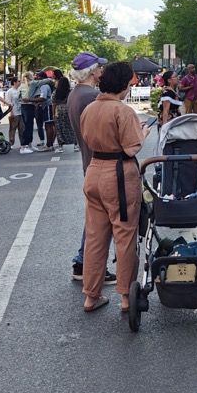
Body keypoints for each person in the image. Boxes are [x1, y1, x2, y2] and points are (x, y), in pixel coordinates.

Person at [77, 61, 147, 313]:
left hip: (94, 170)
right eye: (128, 84)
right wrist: (143, 133)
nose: (129, 89)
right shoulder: (123, 111)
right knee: (125, 235)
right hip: (118, 174)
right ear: (122, 85)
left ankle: (90, 295)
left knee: (95, 238)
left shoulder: (89, 109)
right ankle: (126, 296)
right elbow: (131, 147)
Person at [65, 52, 114, 285]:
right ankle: (89, 266)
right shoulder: (92, 96)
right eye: (100, 68)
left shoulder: (75, 94)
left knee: (97, 218)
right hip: (101, 162)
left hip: (89, 162)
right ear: (93, 71)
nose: (102, 71)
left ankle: (83, 262)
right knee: (102, 222)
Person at [30, 71, 53, 149]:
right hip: (42, 106)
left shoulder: (44, 86)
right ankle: (46, 142)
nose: (35, 77)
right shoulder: (39, 86)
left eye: (37, 76)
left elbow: (43, 97)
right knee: (43, 125)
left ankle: (49, 144)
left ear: (41, 77)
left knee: (48, 125)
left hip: (46, 106)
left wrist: (30, 100)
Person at [52, 69, 73, 151]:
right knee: (70, 126)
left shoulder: (55, 92)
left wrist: (53, 114)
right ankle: (75, 143)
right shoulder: (70, 92)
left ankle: (61, 145)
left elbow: (53, 103)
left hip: (59, 109)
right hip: (67, 108)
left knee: (59, 127)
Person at [18, 73, 37, 150]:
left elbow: (17, 96)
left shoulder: (21, 86)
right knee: (29, 126)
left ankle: (27, 144)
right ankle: (25, 145)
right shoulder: (32, 85)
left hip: (23, 105)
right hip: (30, 105)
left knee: (27, 125)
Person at [3, 78, 22, 147]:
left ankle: (22, 143)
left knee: (22, 128)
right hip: (14, 112)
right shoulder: (10, 91)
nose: (20, 83)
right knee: (12, 129)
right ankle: (11, 143)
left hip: (21, 112)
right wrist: (11, 112)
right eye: (18, 81)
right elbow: (8, 102)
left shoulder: (20, 90)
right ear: (14, 82)